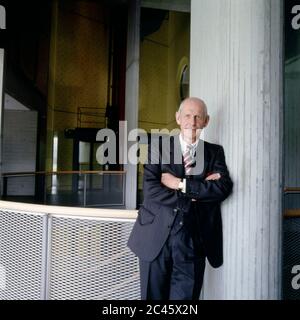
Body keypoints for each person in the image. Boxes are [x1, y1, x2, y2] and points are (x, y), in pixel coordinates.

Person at [127, 97, 233, 300]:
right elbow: (151, 189)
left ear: (206, 121)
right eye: (187, 115)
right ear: (177, 118)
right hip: (155, 237)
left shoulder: (214, 152)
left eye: (197, 117)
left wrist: (180, 184)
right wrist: (196, 194)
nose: (192, 122)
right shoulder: (158, 147)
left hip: (193, 241)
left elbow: (223, 187)